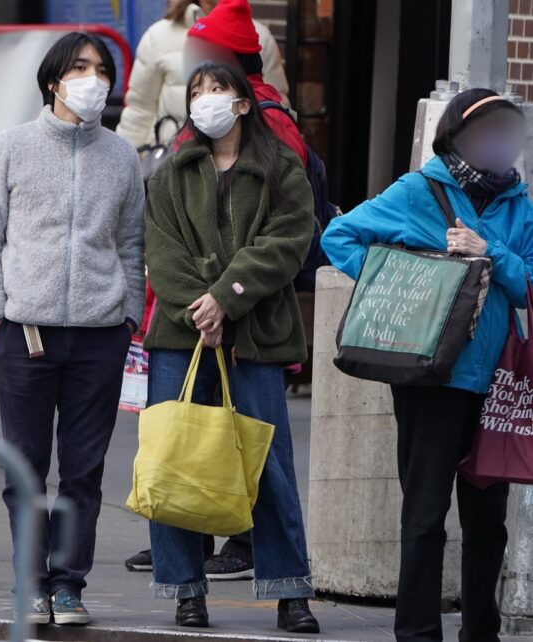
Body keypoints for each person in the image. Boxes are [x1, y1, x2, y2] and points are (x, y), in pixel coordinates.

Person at [321, 89, 533, 642]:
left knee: (488, 522)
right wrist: (399, 278)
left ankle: (479, 632)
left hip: (494, 381)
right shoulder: (420, 190)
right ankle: (417, 633)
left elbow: (528, 286)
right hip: (430, 377)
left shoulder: (519, 204)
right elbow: (338, 235)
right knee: (425, 511)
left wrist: (490, 251)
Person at [124, 0, 309, 580]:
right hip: (182, 331)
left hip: (256, 332)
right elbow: (162, 249)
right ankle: (184, 587)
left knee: (268, 465)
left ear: (244, 99)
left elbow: (290, 237)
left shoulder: (279, 162)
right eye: (195, 88)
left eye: (216, 87)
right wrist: (201, 305)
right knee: (176, 456)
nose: (203, 98)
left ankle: (288, 588)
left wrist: (226, 297)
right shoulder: (173, 167)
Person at [0, 32, 145, 626]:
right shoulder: (10, 147)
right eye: (81, 68)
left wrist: (126, 315)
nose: (94, 79)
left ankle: (68, 584)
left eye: (102, 69)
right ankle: (30, 582)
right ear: (53, 80)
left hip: (99, 334)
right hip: (24, 334)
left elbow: (130, 244)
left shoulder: (120, 155)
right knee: (25, 467)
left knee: (84, 470)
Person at [116, 0, 290, 148]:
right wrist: (127, 166)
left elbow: (275, 110)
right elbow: (140, 110)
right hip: (169, 159)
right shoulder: (158, 36)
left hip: (242, 163)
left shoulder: (258, 38)